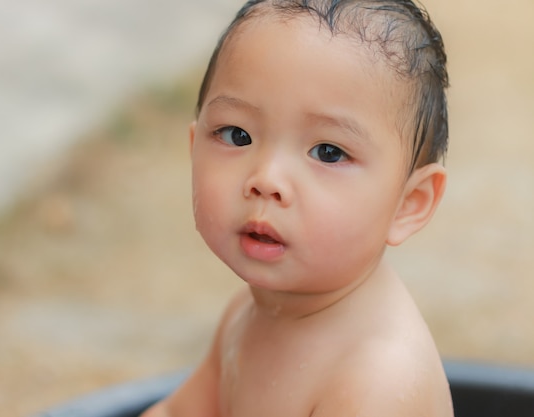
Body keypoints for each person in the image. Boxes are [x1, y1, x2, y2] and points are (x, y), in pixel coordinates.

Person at [142, 0, 453, 415]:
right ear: (193, 148)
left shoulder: (376, 380)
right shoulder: (247, 313)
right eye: (237, 135)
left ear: (407, 204)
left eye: (328, 152)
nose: (266, 179)